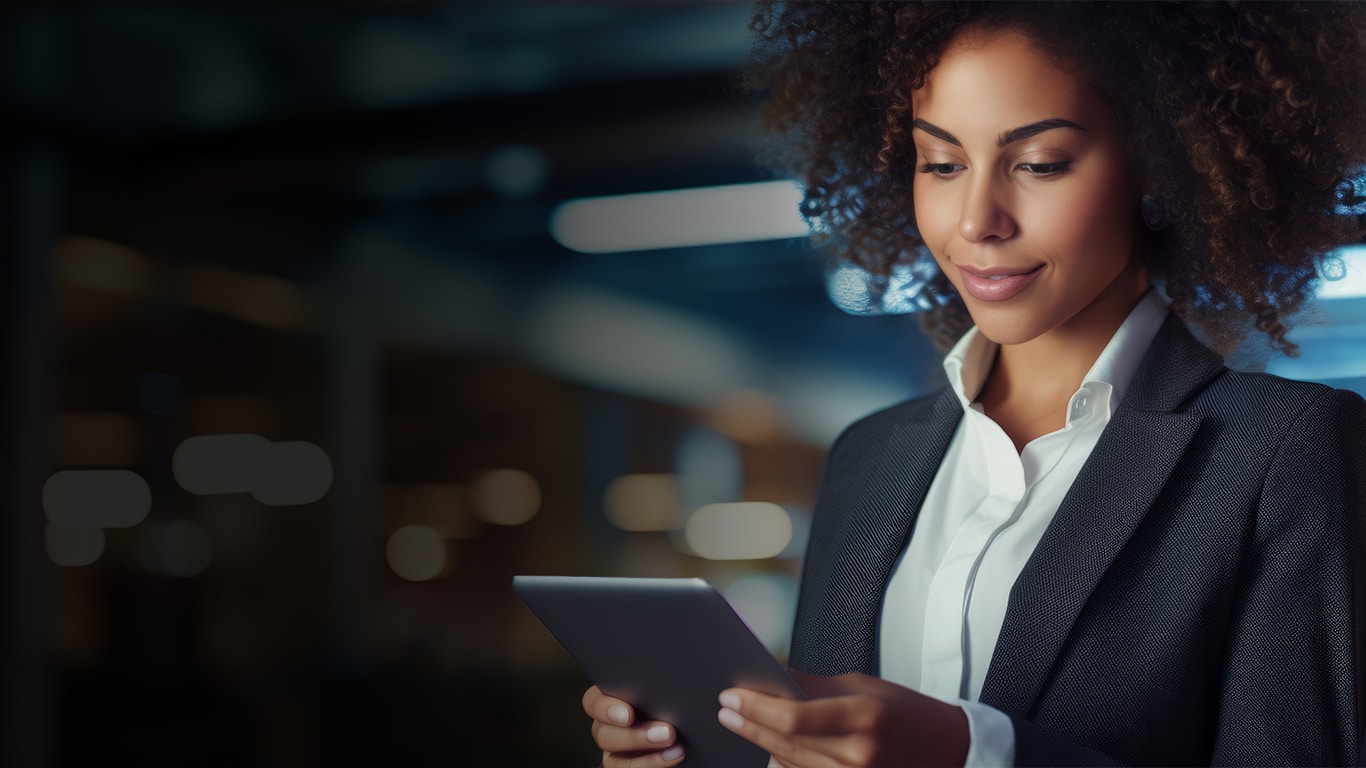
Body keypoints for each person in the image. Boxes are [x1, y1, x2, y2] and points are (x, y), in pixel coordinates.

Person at [583, 2, 1366, 765]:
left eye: (1039, 164)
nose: (976, 220)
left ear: (1161, 162)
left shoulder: (1282, 453)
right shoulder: (867, 458)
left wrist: (972, 753)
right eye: (943, 163)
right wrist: (710, 746)